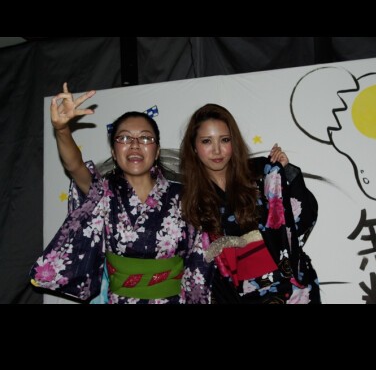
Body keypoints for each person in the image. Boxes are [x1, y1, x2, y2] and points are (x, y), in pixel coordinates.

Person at [30, 83, 211, 304]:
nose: (134, 144)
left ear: (156, 151)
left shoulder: (184, 195)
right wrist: (62, 130)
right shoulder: (103, 193)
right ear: (114, 153)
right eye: (124, 138)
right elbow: (74, 166)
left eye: (145, 138)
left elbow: (199, 259)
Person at [179, 103, 321, 304]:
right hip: (237, 295)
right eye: (206, 141)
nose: (217, 150)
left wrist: (284, 171)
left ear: (234, 142)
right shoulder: (189, 198)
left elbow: (302, 218)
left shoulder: (260, 172)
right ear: (194, 147)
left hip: (290, 288)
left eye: (225, 140)